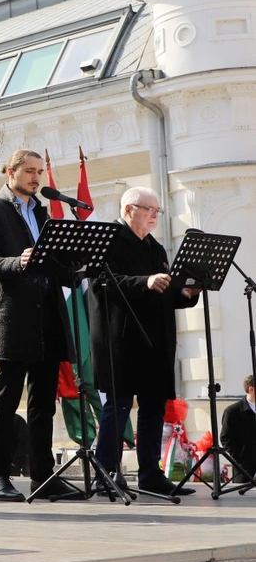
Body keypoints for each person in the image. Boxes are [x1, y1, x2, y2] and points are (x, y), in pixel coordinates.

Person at [0, 149, 73, 502]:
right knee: (7, 400)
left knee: (44, 403)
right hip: (14, 318)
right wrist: (17, 261)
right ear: (10, 172)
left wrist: (77, 265)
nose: (36, 177)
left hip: (48, 316)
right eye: (29, 171)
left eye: (39, 172)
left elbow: (55, 267)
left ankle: (43, 478)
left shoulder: (43, 214)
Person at [89, 187, 200, 496]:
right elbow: (102, 283)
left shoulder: (155, 248)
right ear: (128, 210)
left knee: (153, 408)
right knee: (118, 406)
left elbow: (164, 293)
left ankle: (151, 474)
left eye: (157, 211)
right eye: (149, 209)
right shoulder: (108, 241)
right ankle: (106, 474)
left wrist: (185, 294)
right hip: (121, 339)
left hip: (154, 341)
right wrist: (145, 281)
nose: (155, 215)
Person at [221, 374, 256, 484]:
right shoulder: (232, 411)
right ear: (251, 389)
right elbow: (225, 438)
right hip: (243, 469)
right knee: (242, 494)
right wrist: (240, 459)